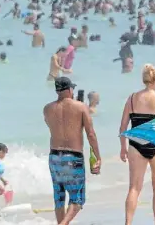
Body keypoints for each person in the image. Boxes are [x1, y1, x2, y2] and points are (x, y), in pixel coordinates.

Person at [118, 64, 155, 225]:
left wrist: (123, 147)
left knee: (134, 188)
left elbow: (123, 127)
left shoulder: (132, 98)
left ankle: (128, 223)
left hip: (135, 144)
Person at [43, 77, 101, 225]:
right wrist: (98, 156)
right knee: (77, 199)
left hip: (54, 157)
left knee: (59, 197)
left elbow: (51, 126)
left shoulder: (47, 108)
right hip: (73, 157)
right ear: (69, 90)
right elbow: (91, 134)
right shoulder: (81, 107)